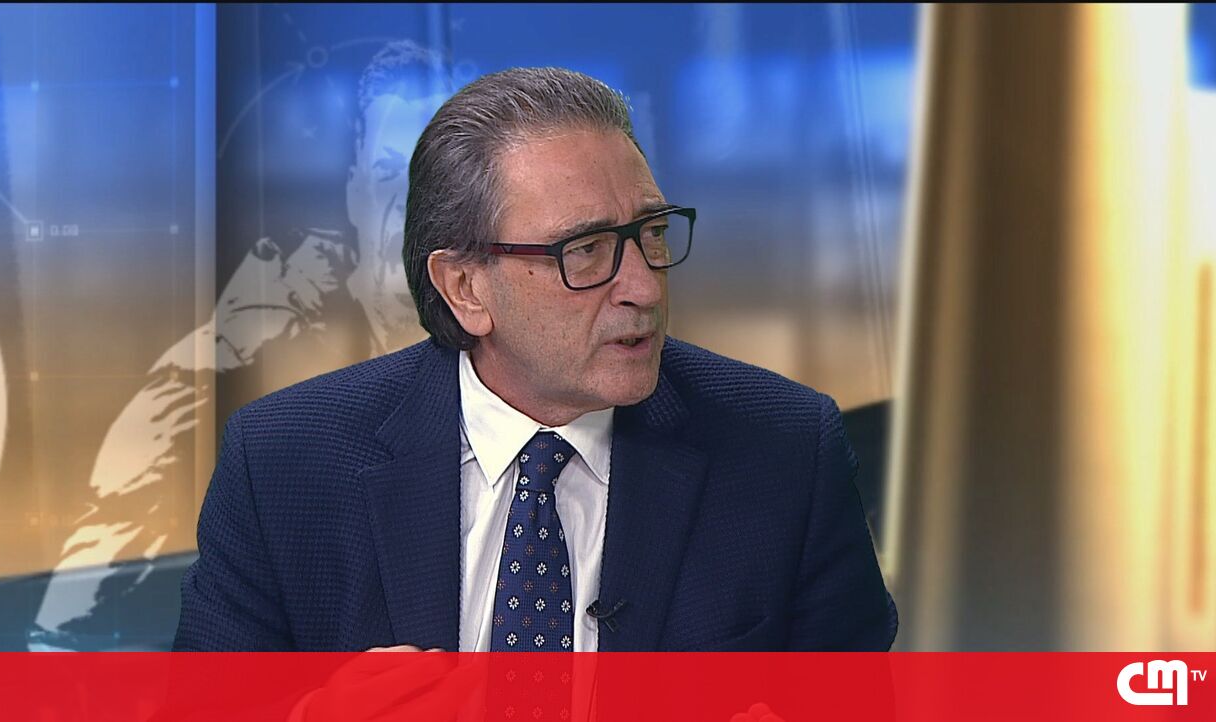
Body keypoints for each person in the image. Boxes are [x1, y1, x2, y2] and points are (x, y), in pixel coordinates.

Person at [174, 67, 896, 654]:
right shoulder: (283, 464)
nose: (644, 286)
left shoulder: (787, 451)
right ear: (466, 288)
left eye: (651, 232)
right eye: (585, 250)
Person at [29, 40, 449, 651]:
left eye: (464, 196)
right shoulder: (252, 358)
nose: (429, 217)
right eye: (394, 178)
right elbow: (66, 630)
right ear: (353, 190)